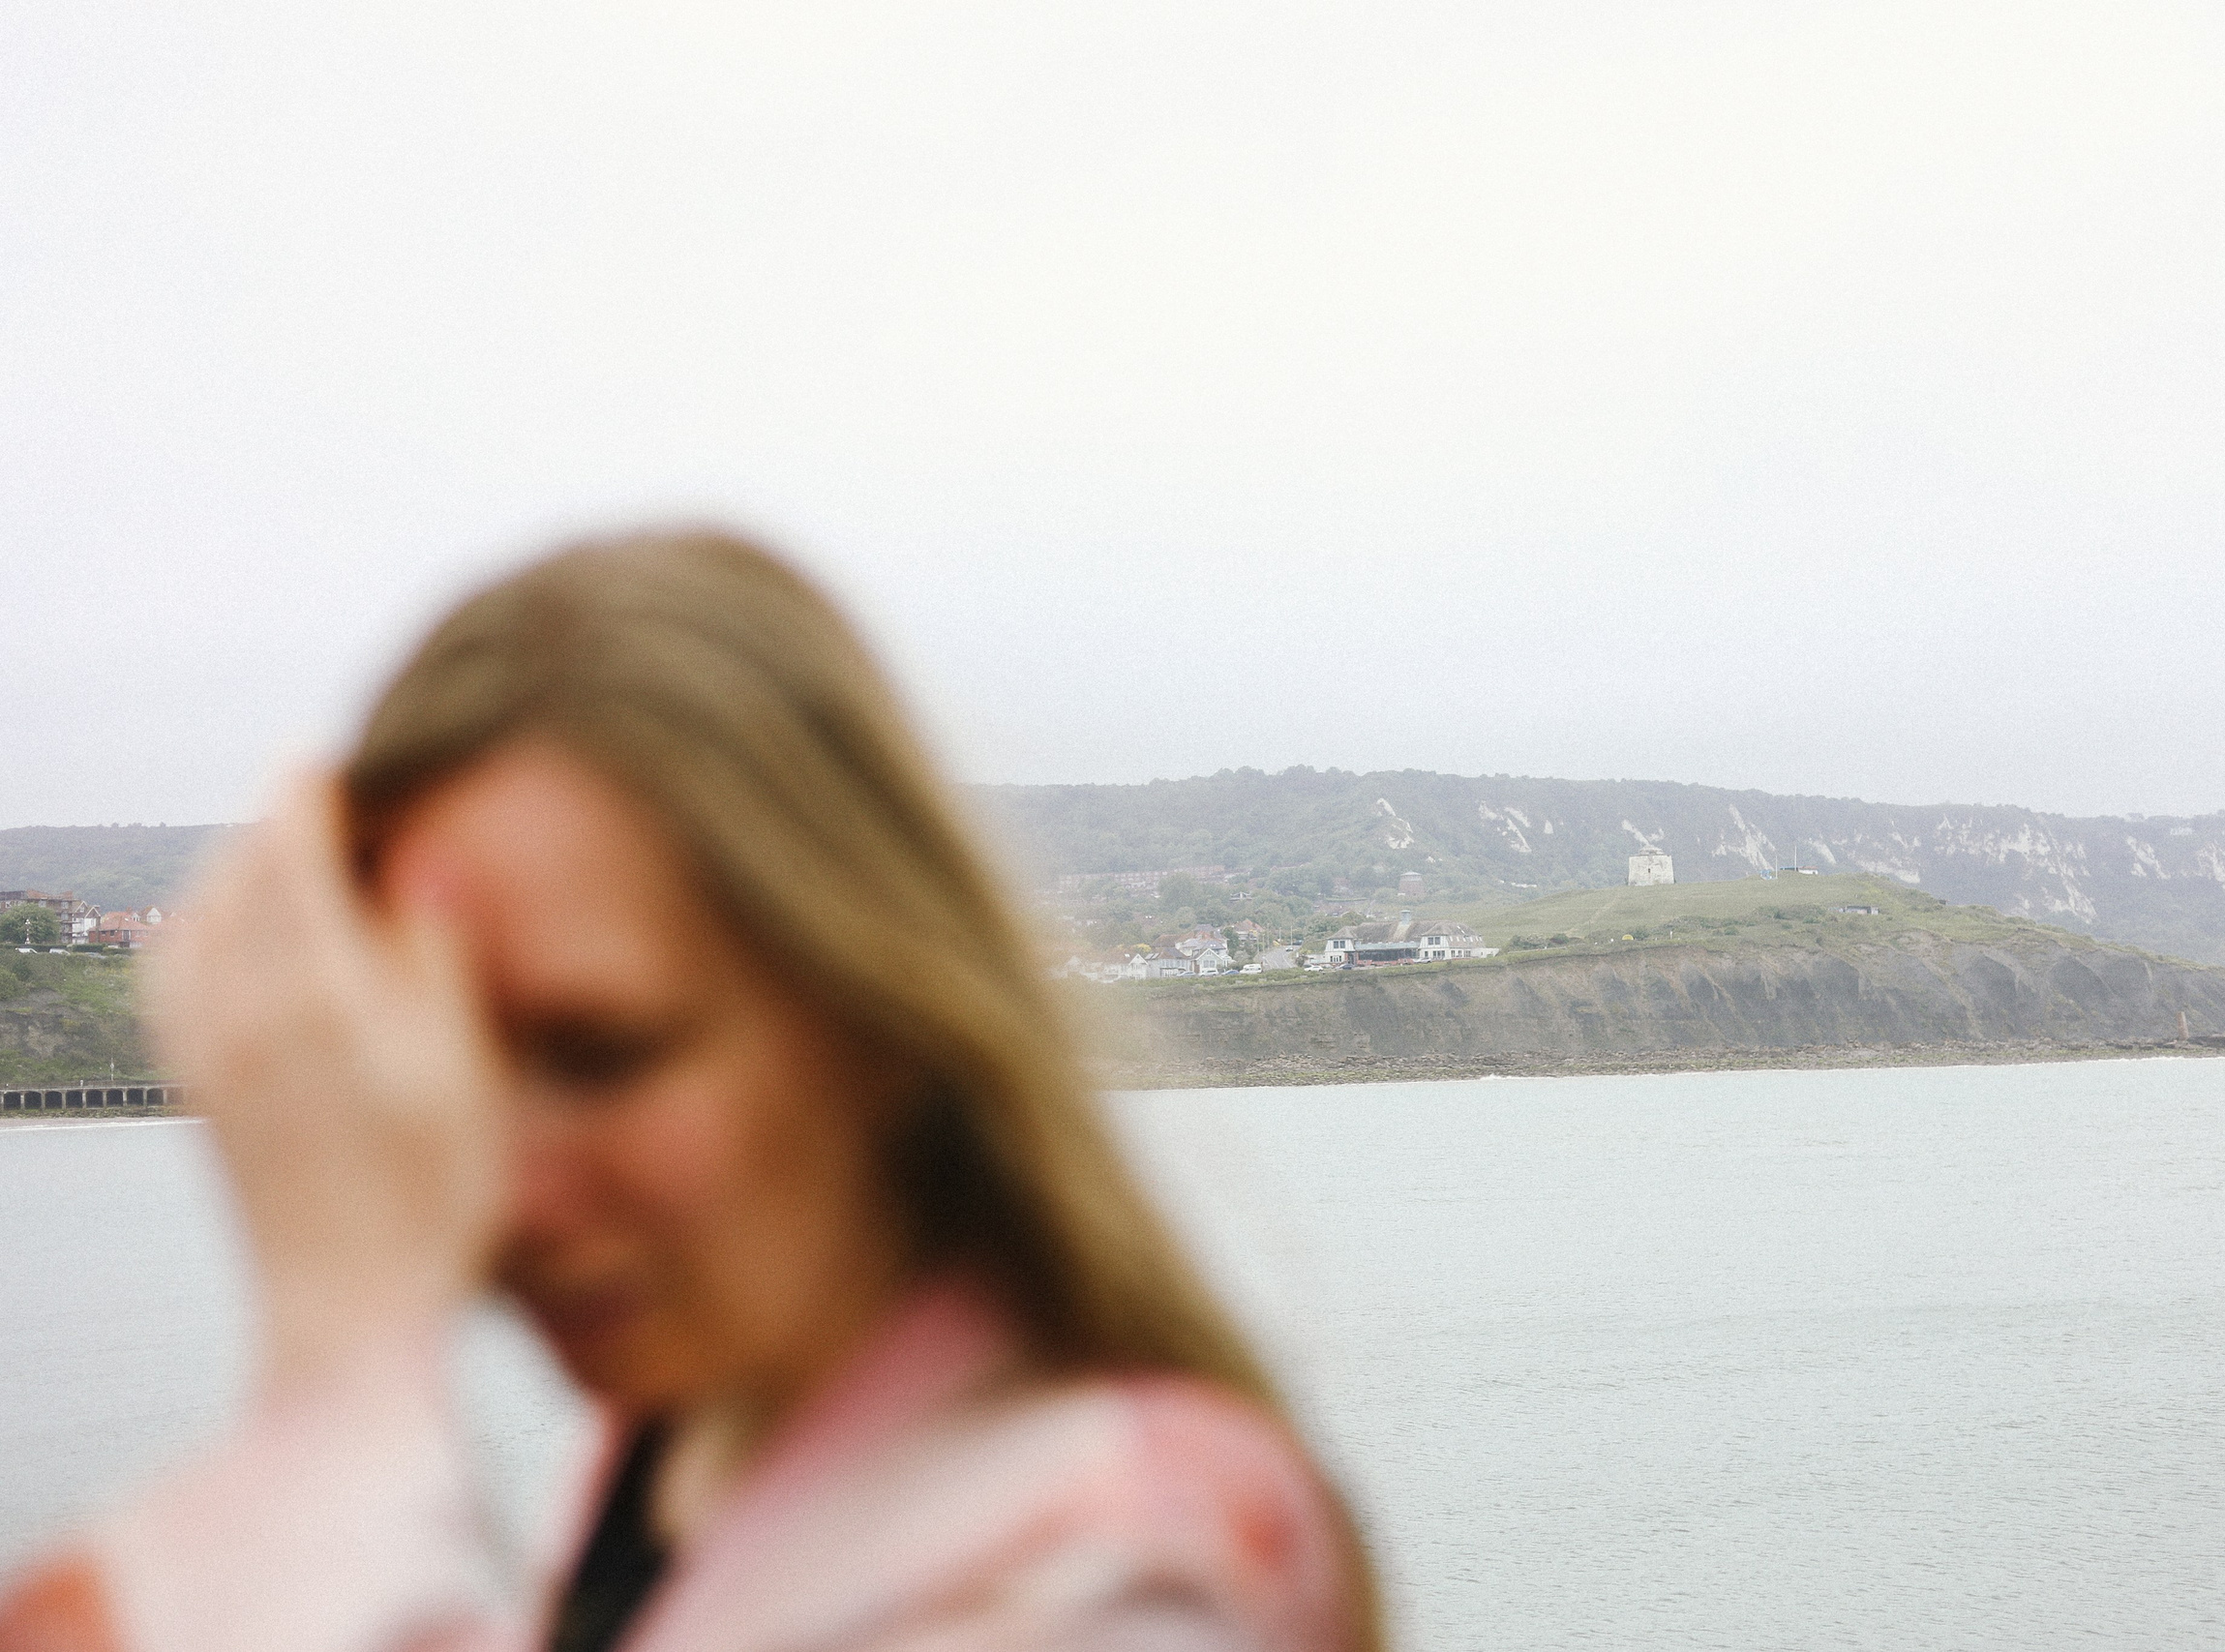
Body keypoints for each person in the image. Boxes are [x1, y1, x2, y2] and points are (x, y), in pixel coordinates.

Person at [0, 533, 1378, 1652]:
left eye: (601, 1055)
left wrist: (340, 1374)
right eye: (446, 1072)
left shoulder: (1125, 1577)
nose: (501, 1195)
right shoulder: (663, 1467)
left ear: (875, 1014)